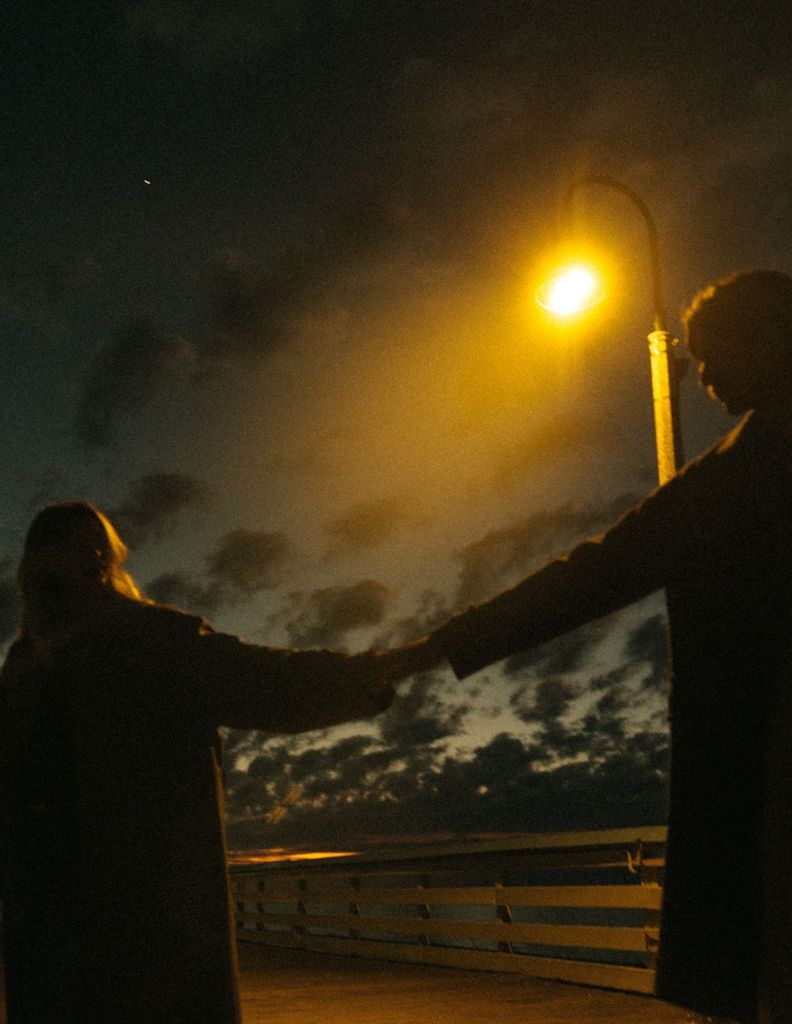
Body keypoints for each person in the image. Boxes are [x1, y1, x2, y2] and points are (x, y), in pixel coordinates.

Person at [401, 270, 792, 1024]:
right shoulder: (738, 471)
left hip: (763, 766)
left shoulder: (734, 479)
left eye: (712, 353)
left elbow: (592, 574)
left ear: (768, 335)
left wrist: (430, 649)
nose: (702, 373)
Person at [0, 501, 401, 1024]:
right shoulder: (141, 644)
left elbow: (273, 683)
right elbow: (275, 684)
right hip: (152, 942)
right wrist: (376, 674)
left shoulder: (31, 669)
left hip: (65, 949)